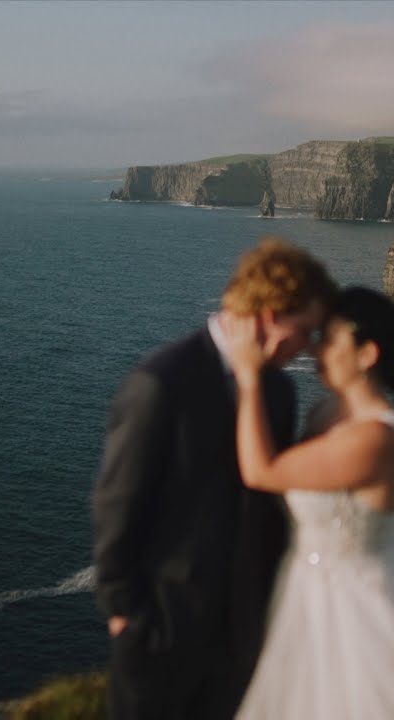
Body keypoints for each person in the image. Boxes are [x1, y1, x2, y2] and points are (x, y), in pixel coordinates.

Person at [91, 236, 338, 720]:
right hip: (162, 633)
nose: (310, 346)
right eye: (305, 330)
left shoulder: (279, 391)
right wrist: (128, 616)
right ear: (271, 314)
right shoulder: (160, 383)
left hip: (242, 640)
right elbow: (116, 504)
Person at [226, 286, 394, 720]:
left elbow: (262, 471)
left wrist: (248, 375)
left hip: (361, 619)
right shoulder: (323, 416)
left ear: (367, 354)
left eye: (329, 339)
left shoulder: (377, 440)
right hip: (306, 601)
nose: (316, 349)